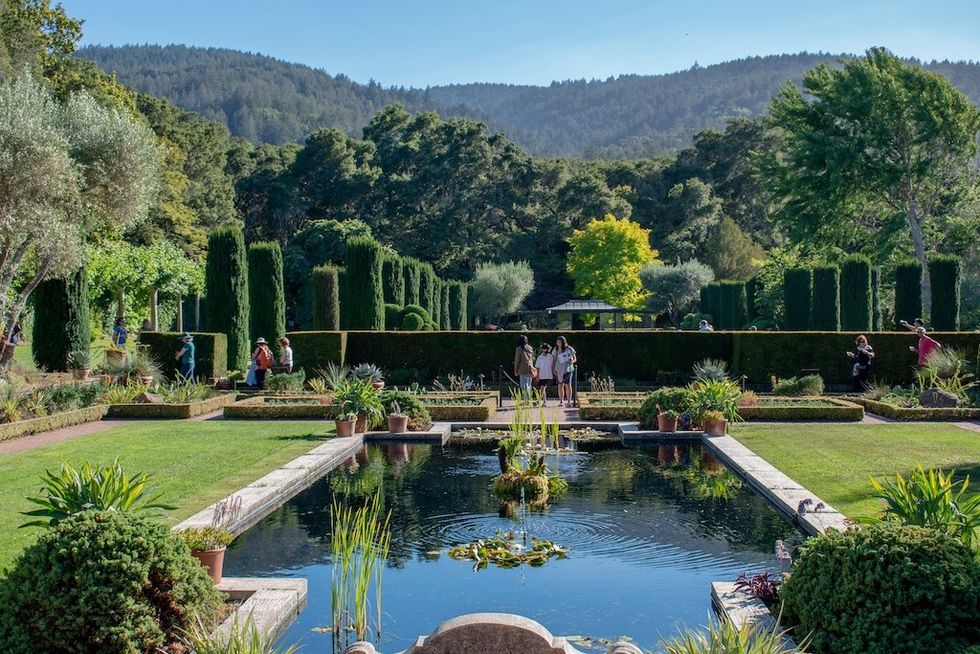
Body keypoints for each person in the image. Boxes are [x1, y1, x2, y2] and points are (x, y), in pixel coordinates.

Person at [554, 335, 577, 407]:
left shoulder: (569, 349)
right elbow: (554, 360)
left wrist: (571, 361)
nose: (558, 343)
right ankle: (561, 401)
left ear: (563, 342)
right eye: (557, 342)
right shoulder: (556, 349)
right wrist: (553, 369)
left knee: (568, 385)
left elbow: (575, 359)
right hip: (559, 370)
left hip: (568, 369)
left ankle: (569, 401)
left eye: (559, 342)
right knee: (560, 385)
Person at [513, 335, 534, 399]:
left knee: (523, 386)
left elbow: (517, 361)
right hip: (530, 368)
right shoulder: (530, 348)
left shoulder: (519, 349)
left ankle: (525, 399)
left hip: (522, 369)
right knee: (529, 385)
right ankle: (529, 399)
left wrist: (515, 371)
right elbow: (531, 359)